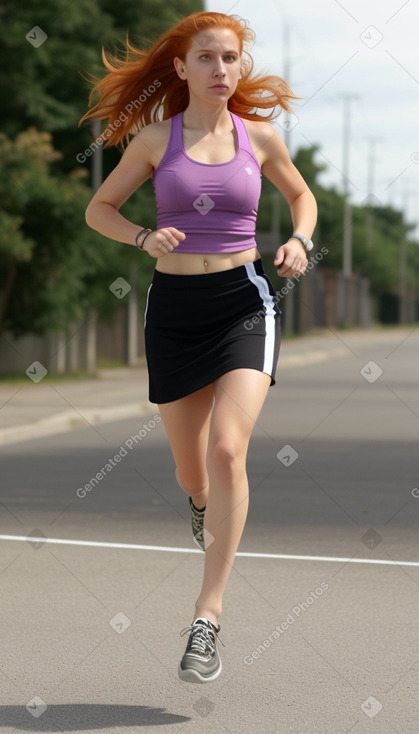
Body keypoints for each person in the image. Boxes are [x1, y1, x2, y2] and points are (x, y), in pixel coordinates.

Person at [80, 10, 317, 684]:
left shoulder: (260, 138)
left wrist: (297, 239)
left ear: (240, 67)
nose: (221, 69)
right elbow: (100, 209)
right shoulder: (155, 139)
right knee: (195, 477)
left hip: (244, 302)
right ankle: (201, 505)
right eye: (207, 58)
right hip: (175, 311)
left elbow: (300, 198)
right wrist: (141, 237)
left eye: (230, 58)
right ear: (181, 68)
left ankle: (206, 619)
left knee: (226, 450)